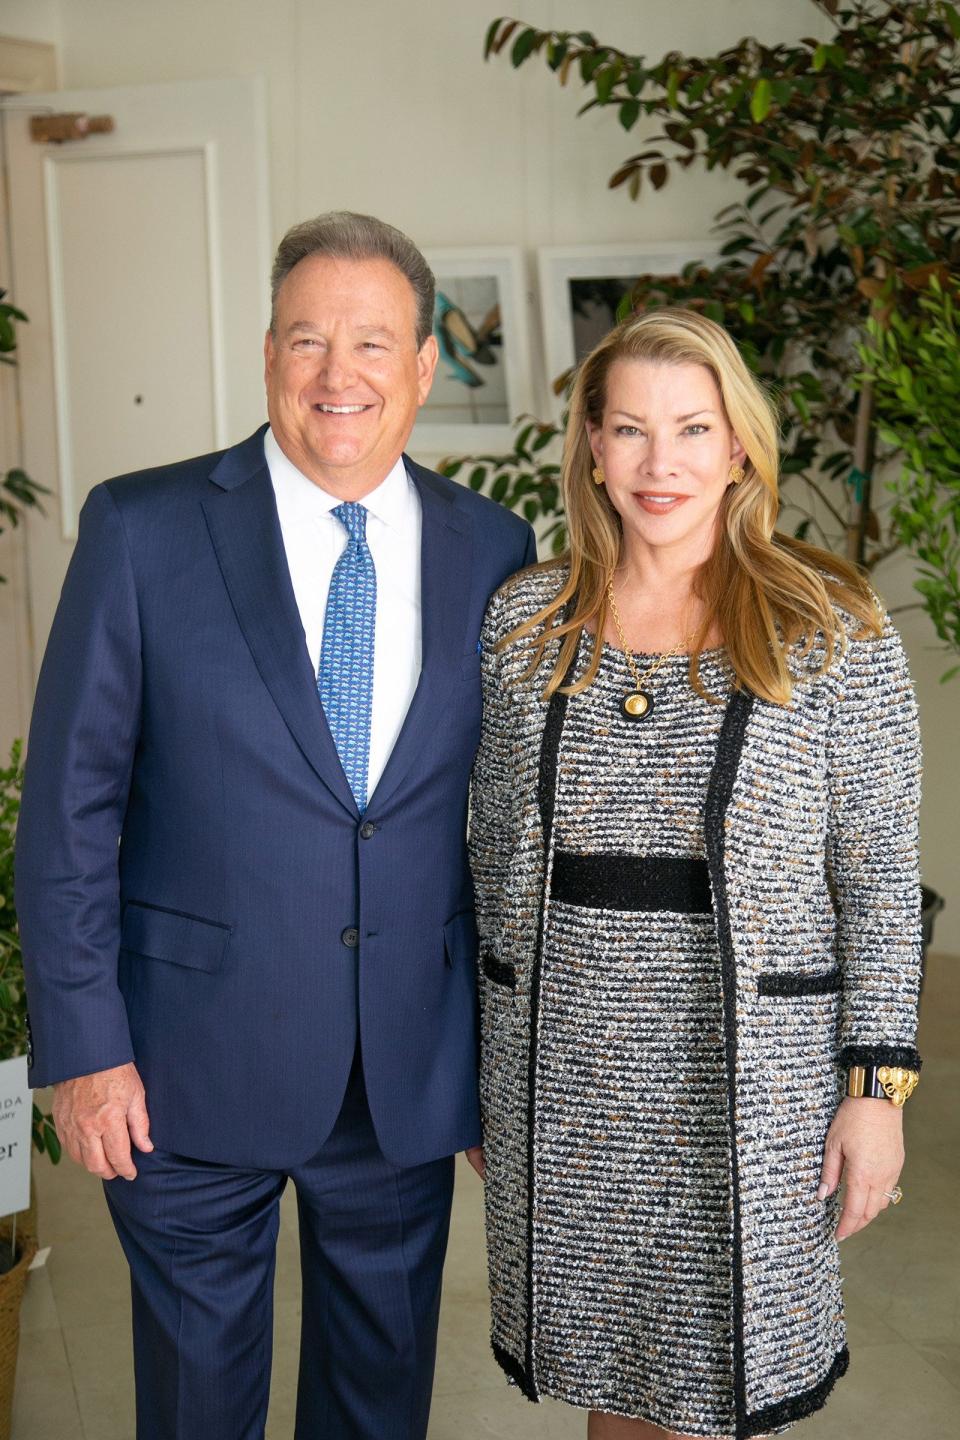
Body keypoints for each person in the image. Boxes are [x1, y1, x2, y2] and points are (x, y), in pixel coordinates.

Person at [15, 210, 535, 1440]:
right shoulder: (142, 529)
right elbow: (70, 809)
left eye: (371, 343)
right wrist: (84, 1050)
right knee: (198, 1406)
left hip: (403, 1069)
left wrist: (502, 1063)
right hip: (178, 1065)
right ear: (266, 355)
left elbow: (507, 823)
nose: (336, 375)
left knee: (376, 1406)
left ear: (422, 368)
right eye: (307, 340)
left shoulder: (497, 550)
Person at [469, 308, 922, 1440]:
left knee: (719, 1383)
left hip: (747, 1075)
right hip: (565, 1067)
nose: (659, 463)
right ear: (590, 447)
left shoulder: (833, 625)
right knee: (617, 1379)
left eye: (690, 428)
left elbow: (877, 876)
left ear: (739, 448)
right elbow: (482, 856)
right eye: (628, 429)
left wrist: (878, 1094)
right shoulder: (527, 619)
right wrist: (475, 1060)